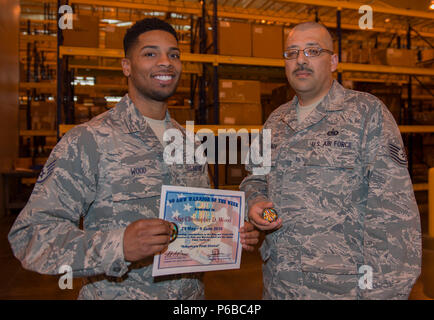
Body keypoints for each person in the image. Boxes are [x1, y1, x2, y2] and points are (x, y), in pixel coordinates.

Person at [8, 18, 259, 300]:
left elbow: (199, 220)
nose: (165, 62)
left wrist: (230, 233)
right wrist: (119, 245)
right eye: (150, 53)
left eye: (173, 55)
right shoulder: (88, 141)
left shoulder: (189, 144)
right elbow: (30, 236)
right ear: (126, 66)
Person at [240, 21, 421, 300]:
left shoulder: (367, 114)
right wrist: (254, 202)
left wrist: (385, 294)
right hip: (279, 287)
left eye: (312, 51)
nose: (301, 60)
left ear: (333, 61)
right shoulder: (275, 121)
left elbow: (395, 221)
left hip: (342, 291)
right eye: (292, 53)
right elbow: (254, 178)